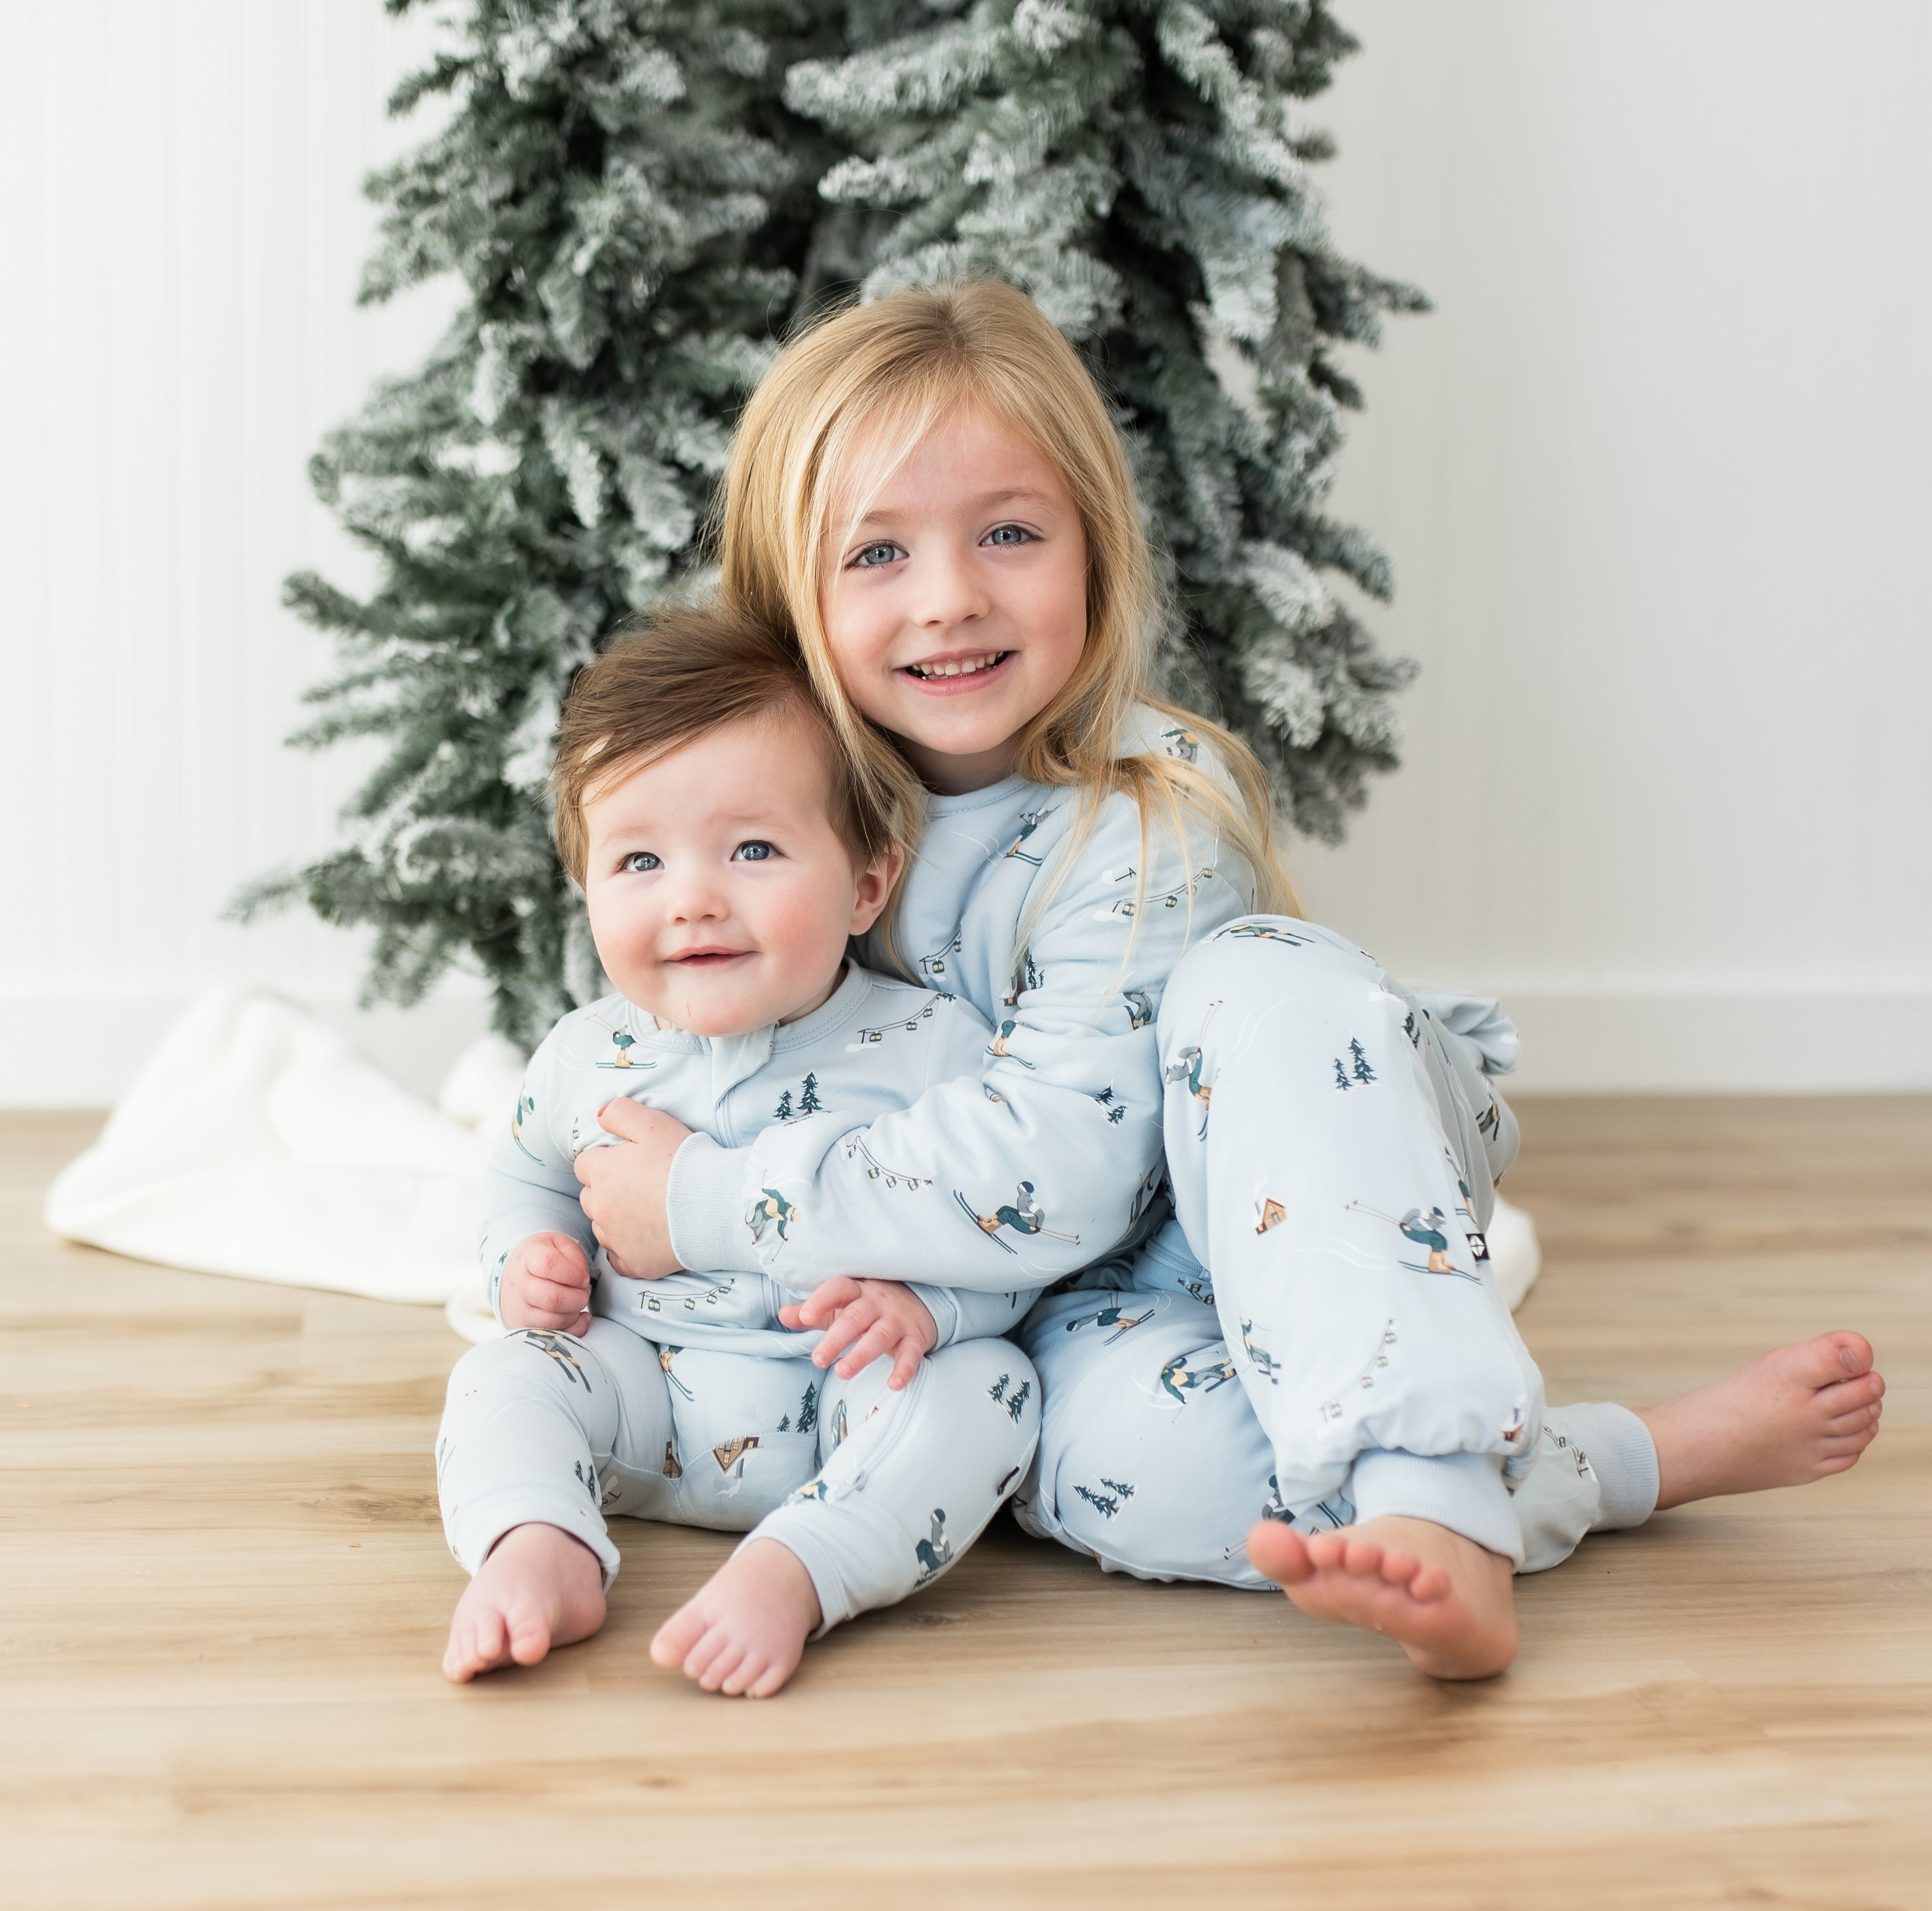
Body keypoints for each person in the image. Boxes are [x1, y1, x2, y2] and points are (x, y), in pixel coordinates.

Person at [572, 282, 1884, 1681]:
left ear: (1095, 549)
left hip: (1272, 1204)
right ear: (789, 594)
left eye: (1009, 533)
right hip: (1048, 1305)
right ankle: (1623, 1462)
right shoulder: (791, 826)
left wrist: (708, 1203)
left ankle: (1438, 1500)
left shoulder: (1144, 816)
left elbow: (1054, 1168)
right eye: (877, 553)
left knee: (1254, 984)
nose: (951, 595)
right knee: (1110, 1472)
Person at [437, 609, 1041, 1695]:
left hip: (851, 1402)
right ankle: (540, 1543)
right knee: (502, 1373)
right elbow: (523, 1180)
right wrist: (525, 1263)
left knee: (989, 1387)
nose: (693, 897)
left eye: (753, 848)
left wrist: (937, 1314)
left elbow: (1004, 1226)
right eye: (638, 860)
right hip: (645, 1392)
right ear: (588, 890)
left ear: (867, 883)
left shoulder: (928, 1048)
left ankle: (804, 1569)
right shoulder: (586, 1053)